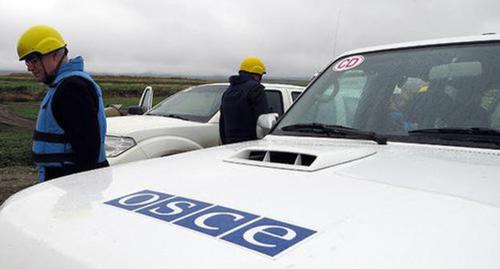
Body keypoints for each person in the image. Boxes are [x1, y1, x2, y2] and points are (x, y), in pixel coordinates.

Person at [16, 25, 108, 182]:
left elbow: (87, 152)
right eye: (27, 62)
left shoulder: (72, 88)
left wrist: (75, 197)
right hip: (66, 182)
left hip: (71, 185)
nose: (29, 67)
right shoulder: (63, 85)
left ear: (55, 55)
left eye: (33, 60)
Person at [219, 56, 270, 144]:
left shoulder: (228, 91)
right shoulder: (256, 89)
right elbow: (264, 118)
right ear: (257, 74)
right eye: (261, 75)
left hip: (230, 144)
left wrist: (225, 144)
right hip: (252, 144)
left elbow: (222, 122)